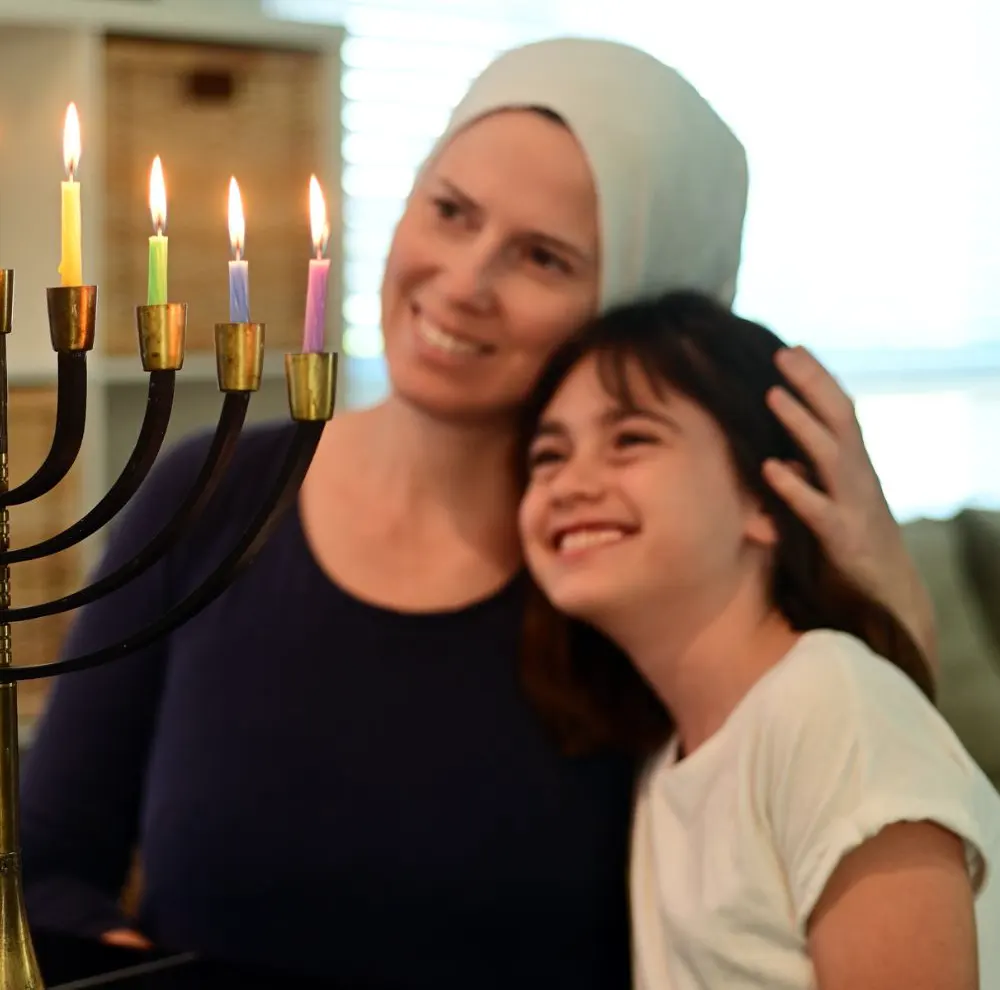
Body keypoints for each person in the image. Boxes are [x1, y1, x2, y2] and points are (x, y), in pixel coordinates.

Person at [21, 38, 935, 987]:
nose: (463, 282)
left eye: (543, 257)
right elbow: (46, 870)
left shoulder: (645, 580)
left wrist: (877, 582)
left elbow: (826, 832)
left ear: (635, 310)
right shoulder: (207, 498)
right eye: (450, 211)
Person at [517, 289, 999, 990]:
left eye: (631, 439)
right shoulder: (667, 769)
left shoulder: (832, 703)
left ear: (769, 503)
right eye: (547, 456)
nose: (569, 483)